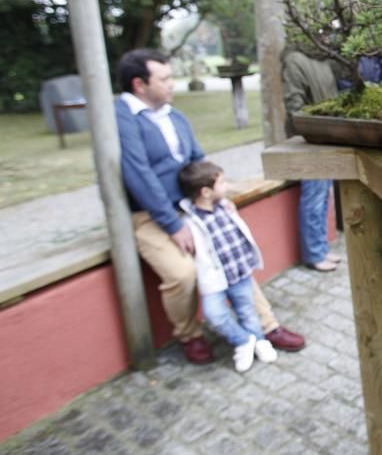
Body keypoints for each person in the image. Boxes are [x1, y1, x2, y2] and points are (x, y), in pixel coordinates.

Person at [116, 49, 305, 364]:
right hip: (149, 216)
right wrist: (174, 225)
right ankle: (189, 335)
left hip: (193, 207)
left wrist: (217, 199)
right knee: (182, 274)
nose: (172, 83)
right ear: (139, 85)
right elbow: (138, 175)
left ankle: (266, 326)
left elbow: (196, 161)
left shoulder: (173, 116)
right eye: (164, 78)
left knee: (232, 254)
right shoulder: (122, 119)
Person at [178, 161, 278, 372]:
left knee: (247, 310)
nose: (227, 186)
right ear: (205, 192)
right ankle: (244, 340)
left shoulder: (224, 206)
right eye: (222, 183)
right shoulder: (190, 221)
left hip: (239, 270)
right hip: (215, 278)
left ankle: (260, 341)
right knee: (215, 314)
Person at [282, 46, 344, 272]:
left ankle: (321, 248)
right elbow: (293, 103)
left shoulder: (323, 57)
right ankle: (314, 254)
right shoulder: (295, 60)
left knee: (323, 194)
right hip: (308, 139)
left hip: (325, 135)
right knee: (314, 196)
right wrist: (308, 129)